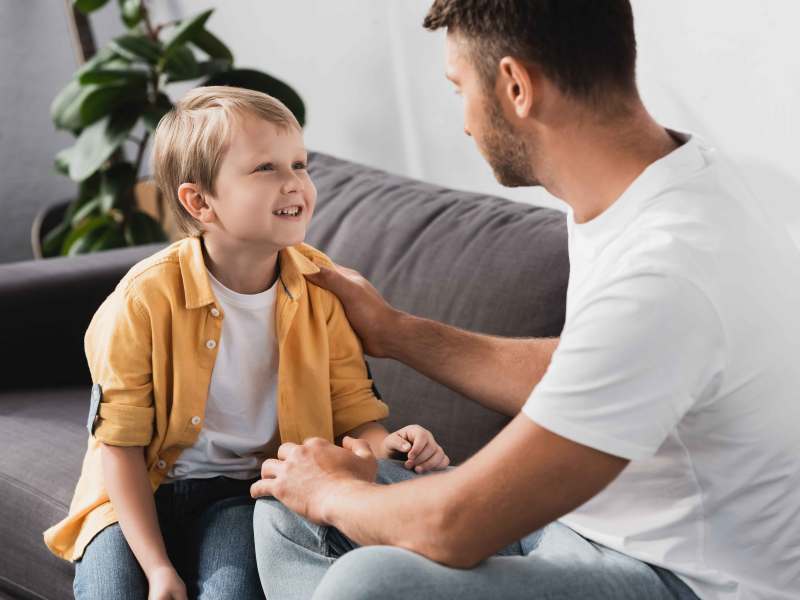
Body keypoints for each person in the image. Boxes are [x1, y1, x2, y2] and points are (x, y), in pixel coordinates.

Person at [250, 1, 800, 599]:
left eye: (459, 88)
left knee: (368, 581)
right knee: (287, 510)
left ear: (515, 86)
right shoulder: (663, 192)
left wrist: (332, 492)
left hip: (678, 577)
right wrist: (395, 332)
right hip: (575, 527)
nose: (462, 121)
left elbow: (452, 527)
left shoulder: (666, 270)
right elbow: (594, 367)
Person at [43, 86, 449, 600]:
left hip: (244, 495)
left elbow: (354, 418)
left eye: (299, 164)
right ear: (199, 201)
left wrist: (389, 448)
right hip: (131, 495)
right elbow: (118, 450)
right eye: (266, 169)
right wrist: (159, 569)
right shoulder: (141, 301)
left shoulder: (323, 289)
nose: (295, 183)